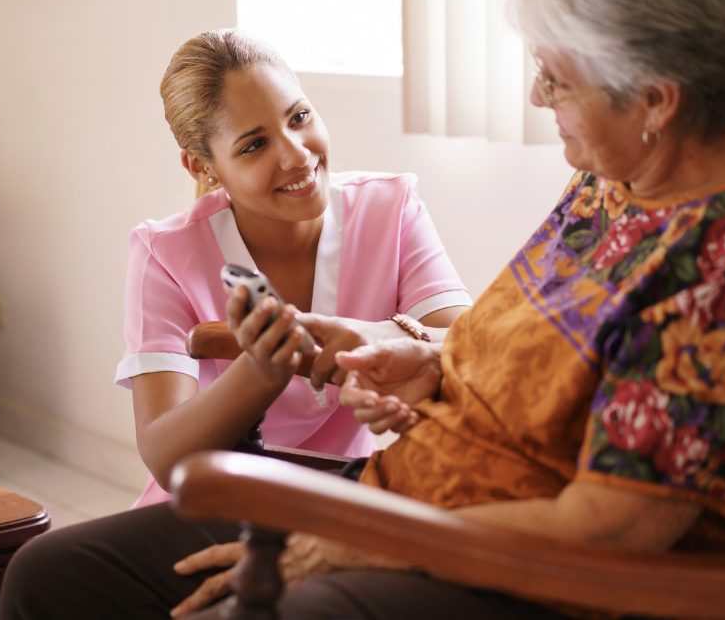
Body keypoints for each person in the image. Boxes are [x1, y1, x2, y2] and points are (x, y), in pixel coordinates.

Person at [0, 0, 725, 618]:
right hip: (411, 498)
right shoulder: (624, 181)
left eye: (556, 80)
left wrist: (374, 540)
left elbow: (613, 530)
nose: (536, 100)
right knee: (50, 577)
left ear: (655, 100)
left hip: (522, 579)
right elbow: (551, 363)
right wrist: (430, 362)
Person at [119, 29, 471, 507]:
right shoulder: (164, 253)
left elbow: (469, 348)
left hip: (341, 504)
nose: (297, 154)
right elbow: (165, 458)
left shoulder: (393, 207)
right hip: (212, 505)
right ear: (203, 167)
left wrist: (377, 334)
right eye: (254, 145)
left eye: (299, 117)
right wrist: (262, 372)